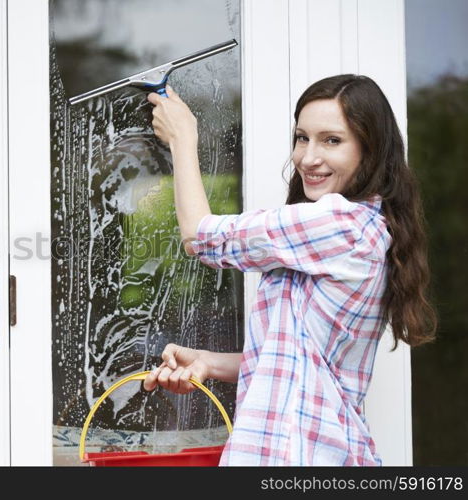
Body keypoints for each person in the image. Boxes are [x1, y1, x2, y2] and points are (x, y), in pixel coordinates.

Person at [143, 75, 437, 466]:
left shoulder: (342, 226)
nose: (308, 158)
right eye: (302, 138)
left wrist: (182, 139)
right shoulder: (347, 233)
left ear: (371, 150)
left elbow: (201, 237)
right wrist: (208, 362)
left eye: (332, 140)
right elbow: (295, 357)